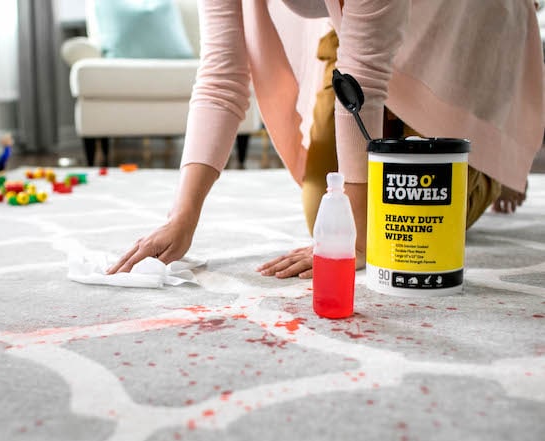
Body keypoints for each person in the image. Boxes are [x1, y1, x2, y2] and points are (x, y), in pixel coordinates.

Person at [108, 0, 545, 279]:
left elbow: (364, 80)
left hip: (461, 21)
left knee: (409, 227)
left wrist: (359, 242)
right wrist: (182, 217)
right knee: (326, 209)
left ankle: (492, 171)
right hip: (353, 20)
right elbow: (222, 76)